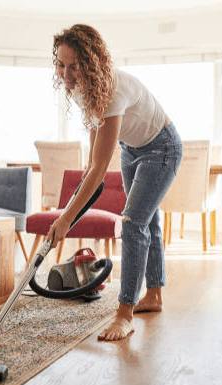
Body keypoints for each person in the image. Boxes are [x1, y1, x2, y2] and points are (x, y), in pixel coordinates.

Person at [48, 24, 183, 341]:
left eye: (74, 66)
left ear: (90, 63)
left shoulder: (112, 90)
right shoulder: (83, 87)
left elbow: (99, 168)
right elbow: (94, 159)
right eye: (60, 64)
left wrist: (66, 218)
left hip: (162, 148)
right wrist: (85, 178)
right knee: (148, 221)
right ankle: (154, 295)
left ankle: (125, 314)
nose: (66, 74)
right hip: (131, 148)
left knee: (134, 223)